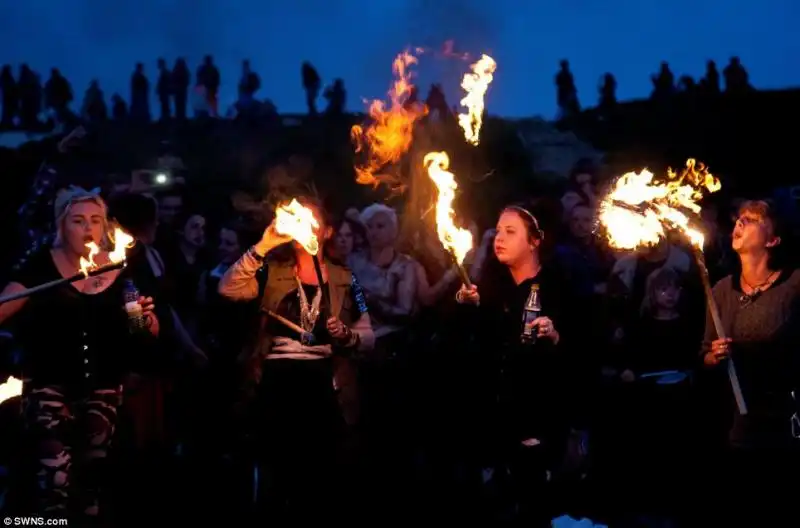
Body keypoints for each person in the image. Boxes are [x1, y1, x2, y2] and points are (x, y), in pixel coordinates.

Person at [0, 187, 160, 520]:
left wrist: (146, 320)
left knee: (91, 479)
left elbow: (145, 331)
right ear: (62, 226)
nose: (88, 228)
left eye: (95, 220)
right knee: (54, 476)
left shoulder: (120, 267)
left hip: (103, 384)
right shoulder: (39, 264)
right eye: (78, 220)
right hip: (48, 382)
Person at [218, 197, 374, 523]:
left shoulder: (346, 277)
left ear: (327, 232)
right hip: (277, 380)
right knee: (277, 469)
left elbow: (368, 335)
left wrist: (347, 335)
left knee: (319, 473)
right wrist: (263, 245)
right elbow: (228, 289)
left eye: (313, 220)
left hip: (323, 382)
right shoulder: (272, 272)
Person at [456, 204, 578, 526]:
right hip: (494, 427)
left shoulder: (559, 287)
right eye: (498, 231)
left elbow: (580, 355)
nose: (500, 238)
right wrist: (466, 309)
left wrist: (554, 336)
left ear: (535, 240)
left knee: (534, 511)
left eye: (511, 232)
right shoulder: (491, 289)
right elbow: (477, 354)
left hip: (538, 424)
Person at [701, 199, 800, 524]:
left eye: (751, 219)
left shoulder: (794, 286)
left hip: (787, 428)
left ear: (773, 239)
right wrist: (715, 355)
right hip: (738, 431)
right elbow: (704, 354)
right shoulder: (720, 290)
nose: (739, 223)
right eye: (738, 218)